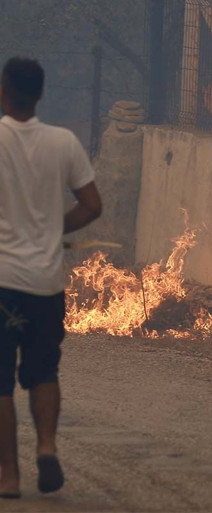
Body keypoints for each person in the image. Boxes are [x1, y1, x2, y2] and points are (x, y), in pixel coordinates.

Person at [0, 57, 102, 498]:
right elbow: (92, 205)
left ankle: (8, 476)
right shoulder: (64, 142)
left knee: (1, 381)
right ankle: (47, 446)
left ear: (2, 91)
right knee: (44, 371)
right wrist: (53, 229)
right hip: (46, 283)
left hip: (3, 282)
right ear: (40, 94)